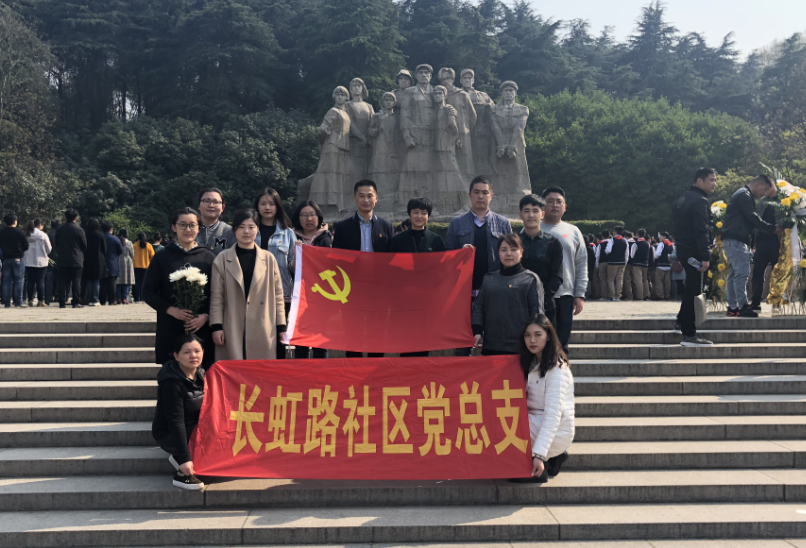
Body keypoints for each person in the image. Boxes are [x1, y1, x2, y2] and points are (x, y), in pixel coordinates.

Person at [446, 176, 513, 356]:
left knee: (495, 340)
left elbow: (512, 257)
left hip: (494, 291)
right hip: (464, 292)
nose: (480, 196)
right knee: (462, 342)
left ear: (491, 195)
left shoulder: (503, 223)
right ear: (469, 195)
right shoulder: (457, 223)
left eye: (485, 192)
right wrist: (459, 253)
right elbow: (446, 256)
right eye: (476, 192)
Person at [143, 208, 216, 367]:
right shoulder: (162, 257)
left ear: (199, 228)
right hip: (171, 326)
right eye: (182, 225)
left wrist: (206, 316)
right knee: (172, 374)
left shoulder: (209, 258)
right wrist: (171, 310)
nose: (187, 229)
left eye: (192, 225)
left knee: (204, 375)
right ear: (174, 227)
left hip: (201, 328)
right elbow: (147, 292)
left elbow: (218, 294)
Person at [210, 209, 286, 361]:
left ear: (257, 229)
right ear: (234, 230)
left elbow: (278, 296)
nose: (246, 231)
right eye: (241, 227)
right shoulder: (222, 259)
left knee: (259, 370)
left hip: (263, 323)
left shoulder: (268, 259)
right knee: (233, 368)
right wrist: (216, 326)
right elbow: (217, 295)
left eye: (251, 227)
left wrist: (281, 326)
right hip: (232, 322)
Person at [332, 180, 394, 358]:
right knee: (352, 336)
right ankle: (354, 372)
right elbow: (336, 260)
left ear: (376, 198)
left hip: (378, 290)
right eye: (361, 196)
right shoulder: (342, 227)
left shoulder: (386, 226)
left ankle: (376, 372)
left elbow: (392, 260)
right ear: (354, 198)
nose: (366, 200)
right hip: (351, 290)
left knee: (378, 335)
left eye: (369, 196)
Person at [510, 314, 575, 484]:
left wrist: (539, 455)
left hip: (556, 428)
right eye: (527, 335)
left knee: (505, 424)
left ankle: (537, 469)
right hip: (535, 421)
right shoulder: (532, 362)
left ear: (548, 336)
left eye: (538, 335)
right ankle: (553, 457)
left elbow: (553, 416)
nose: (532, 340)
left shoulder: (557, 371)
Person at [390, 197, 446, 357]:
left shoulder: (436, 241)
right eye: (415, 212)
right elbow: (390, 271)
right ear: (409, 214)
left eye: (423, 213)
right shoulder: (397, 241)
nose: (419, 216)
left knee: (424, 344)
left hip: (427, 302)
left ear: (428, 216)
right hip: (403, 302)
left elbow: (441, 271)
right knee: (405, 344)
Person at [472, 234, 544, 355]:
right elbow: (478, 307)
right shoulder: (489, 279)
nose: (508, 254)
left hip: (520, 348)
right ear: (498, 253)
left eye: (513, 249)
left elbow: (536, 313)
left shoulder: (530, 279)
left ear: (521, 252)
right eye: (504, 250)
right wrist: (477, 331)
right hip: (491, 346)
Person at [152, 334, 206, 491]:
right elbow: (176, 422)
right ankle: (181, 473)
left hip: (194, 426)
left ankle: (181, 456)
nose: (193, 356)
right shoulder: (171, 383)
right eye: (187, 352)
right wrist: (184, 459)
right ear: (176, 356)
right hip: (170, 433)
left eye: (197, 351)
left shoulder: (201, 373)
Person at [722, 175, 780, 318]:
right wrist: (772, 228)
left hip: (733, 240)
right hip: (737, 240)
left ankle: (733, 307)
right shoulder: (744, 195)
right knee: (742, 274)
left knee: (734, 275)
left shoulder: (742, 194)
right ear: (758, 184)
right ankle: (742, 306)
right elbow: (753, 218)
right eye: (764, 190)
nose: (764, 194)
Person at [540, 187, 588, 356]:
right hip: (539, 295)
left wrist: (580, 294)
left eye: (559, 202)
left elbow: (581, 263)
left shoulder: (573, 231)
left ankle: (561, 373)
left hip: (565, 295)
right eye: (550, 201)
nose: (555, 205)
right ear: (543, 205)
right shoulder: (532, 229)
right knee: (540, 344)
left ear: (565, 207)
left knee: (562, 344)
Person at [673, 168, 717, 346]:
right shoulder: (700, 201)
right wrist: (705, 256)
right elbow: (701, 230)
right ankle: (689, 334)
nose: (714, 184)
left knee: (691, 288)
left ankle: (680, 322)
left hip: (684, 250)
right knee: (694, 291)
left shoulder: (683, 198)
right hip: (695, 252)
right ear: (699, 181)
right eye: (711, 180)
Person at [254, 187, 296, 359]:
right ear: (257, 206)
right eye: (263, 203)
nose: (267, 207)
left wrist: (299, 257)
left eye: (271, 204)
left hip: (281, 295)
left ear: (278, 206)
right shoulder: (250, 230)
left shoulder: (288, 233)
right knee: (256, 338)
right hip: (253, 293)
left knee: (279, 339)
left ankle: (276, 373)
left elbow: (291, 267)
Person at [291, 200, 332, 359]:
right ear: (298, 218)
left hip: (322, 296)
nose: (309, 219)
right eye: (304, 215)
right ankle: (303, 373)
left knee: (321, 342)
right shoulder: (291, 237)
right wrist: (296, 256)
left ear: (319, 216)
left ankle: (322, 373)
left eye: (312, 215)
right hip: (298, 296)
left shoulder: (327, 238)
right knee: (301, 343)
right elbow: (289, 268)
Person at [518, 195, 563, 327]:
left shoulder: (553, 243)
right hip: (518, 303)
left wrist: (541, 296)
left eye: (535, 211)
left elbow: (557, 276)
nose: (531, 215)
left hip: (546, 304)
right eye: (526, 211)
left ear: (542, 214)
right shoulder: (514, 243)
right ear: (520, 215)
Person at [750, 194, 780, 311]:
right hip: (761, 241)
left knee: (777, 273)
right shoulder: (762, 200)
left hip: (776, 241)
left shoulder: (782, 199)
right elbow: (756, 221)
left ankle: (776, 302)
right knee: (757, 273)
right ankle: (755, 301)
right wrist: (754, 243)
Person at [55, 209, 87, 309]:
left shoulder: (59, 229)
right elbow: (84, 245)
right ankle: (75, 302)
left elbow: (57, 243)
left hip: (62, 258)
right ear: (76, 218)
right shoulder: (79, 230)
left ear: (65, 217)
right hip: (76, 258)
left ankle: (62, 302)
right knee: (76, 281)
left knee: (62, 281)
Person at [0, 214, 30, 308]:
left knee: (6, 280)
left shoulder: (1, 232)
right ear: (15, 221)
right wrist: (20, 251)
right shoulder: (20, 232)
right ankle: (18, 301)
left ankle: (6, 302)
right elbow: (26, 246)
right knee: (19, 280)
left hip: (6, 258)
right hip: (18, 258)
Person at [196, 187, 234, 255]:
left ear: (222, 207)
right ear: (199, 206)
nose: (211, 205)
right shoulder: (188, 230)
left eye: (216, 202)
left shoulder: (230, 232)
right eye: (206, 201)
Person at [23, 218, 51, 307]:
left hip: (28, 261)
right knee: (40, 281)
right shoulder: (43, 235)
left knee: (30, 281)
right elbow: (49, 248)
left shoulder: (27, 235)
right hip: (41, 261)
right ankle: (40, 300)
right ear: (40, 225)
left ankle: (30, 300)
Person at [83, 218, 108, 307]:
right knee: (96, 280)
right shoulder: (100, 235)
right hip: (98, 259)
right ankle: (95, 299)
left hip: (87, 259)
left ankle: (90, 299)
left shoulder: (85, 234)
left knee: (89, 280)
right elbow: (104, 249)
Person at [100, 221, 123, 305]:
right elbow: (121, 250)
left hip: (101, 262)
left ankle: (102, 300)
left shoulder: (100, 237)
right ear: (111, 229)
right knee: (112, 283)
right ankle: (112, 300)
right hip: (112, 262)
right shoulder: (115, 239)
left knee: (102, 283)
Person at [604, 226, 629, 301]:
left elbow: (608, 250)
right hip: (622, 262)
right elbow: (627, 254)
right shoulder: (625, 241)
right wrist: (625, 262)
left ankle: (612, 296)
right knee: (619, 279)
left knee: (610, 279)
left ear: (615, 232)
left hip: (612, 262)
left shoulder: (612, 240)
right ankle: (618, 295)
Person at [629, 229, 651, 302]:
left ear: (637, 235)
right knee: (645, 280)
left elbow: (632, 255)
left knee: (638, 280)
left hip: (637, 264)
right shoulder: (647, 243)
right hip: (645, 263)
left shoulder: (635, 244)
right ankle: (646, 295)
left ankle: (640, 296)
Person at [133, 232, 155, 303]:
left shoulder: (134, 246)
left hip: (136, 266)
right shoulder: (149, 246)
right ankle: (143, 298)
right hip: (146, 267)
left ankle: (136, 299)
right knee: (144, 283)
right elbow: (153, 256)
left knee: (136, 283)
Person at [653, 232, 673, 300]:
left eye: (660, 236)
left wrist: (655, 257)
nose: (659, 238)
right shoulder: (671, 244)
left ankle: (660, 295)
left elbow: (657, 254)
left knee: (658, 280)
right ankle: (667, 295)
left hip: (660, 265)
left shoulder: (661, 244)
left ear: (664, 237)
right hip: (668, 265)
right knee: (667, 281)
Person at [117, 229, 135, 304]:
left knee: (118, 281)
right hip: (127, 262)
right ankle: (124, 297)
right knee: (126, 281)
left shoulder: (117, 241)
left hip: (118, 260)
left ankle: (118, 297)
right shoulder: (129, 243)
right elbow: (132, 254)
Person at [45, 220, 60, 305]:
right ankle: (57, 295)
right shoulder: (61, 234)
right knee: (59, 278)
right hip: (60, 259)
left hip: (49, 259)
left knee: (49, 279)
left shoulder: (47, 235)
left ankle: (48, 297)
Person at [595, 230, 610, 301]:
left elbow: (597, 256)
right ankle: (612, 294)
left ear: (602, 236)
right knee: (611, 280)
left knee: (603, 280)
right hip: (611, 263)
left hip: (602, 263)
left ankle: (605, 296)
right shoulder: (612, 243)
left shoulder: (600, 245)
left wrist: (597, 266)